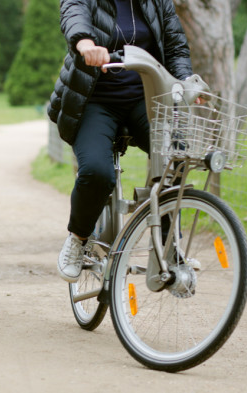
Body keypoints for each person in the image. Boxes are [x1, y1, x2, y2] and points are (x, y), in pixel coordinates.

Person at [47, 0, 195, 282]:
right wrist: (85, 43)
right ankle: (78, 238)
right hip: (93, 101)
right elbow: (73, 14)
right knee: (97, 173)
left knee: (176, 158)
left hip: (145, 99)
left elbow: (175, 46)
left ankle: (168, 248)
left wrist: (186, 79)